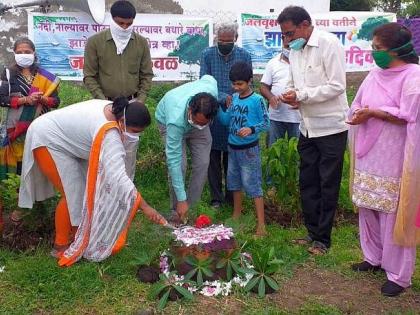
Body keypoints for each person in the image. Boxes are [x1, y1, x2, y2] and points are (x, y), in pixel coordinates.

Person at [18, 97, 167, 266]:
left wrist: (129, 192)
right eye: (133, 131)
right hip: (48, 139)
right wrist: (145, 207)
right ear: (123, 121)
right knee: (72, 193)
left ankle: (77, 236)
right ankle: (60, 246)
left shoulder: (117, 110)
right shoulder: (109, 131)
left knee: (86, 192)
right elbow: (118, 176)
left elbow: (122, 169)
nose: (135, 136)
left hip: (72, 143)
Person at [347, 23, 420, 297]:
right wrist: (357, 114)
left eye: (378, 49)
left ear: (397, 50)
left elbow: (410, 115)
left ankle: (399, 275)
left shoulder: (414, 76)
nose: (374, 53)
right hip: (369, 153)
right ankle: (373, 257)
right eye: (373, 48)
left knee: (392, 211)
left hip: (396, 155)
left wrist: (376, 113)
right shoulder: (375, 73)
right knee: (368, 205)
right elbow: (357, 103)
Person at [277, 6, 349, 255]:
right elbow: (293, 82)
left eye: (289, 33)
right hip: (307, 126)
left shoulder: (329, 44)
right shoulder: (295, 51)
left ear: (305, 24)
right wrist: (290, 93)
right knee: (307, 181)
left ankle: (323, 239)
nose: (287, 39)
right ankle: (311, 233)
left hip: (331, 127)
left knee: (327, 182)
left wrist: (302, 95)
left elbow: (337, 86)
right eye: (284, 35)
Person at [0, 37, 60, 222]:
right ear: (14, 53)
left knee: (39, 161)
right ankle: (21, 203)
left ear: (34, 53)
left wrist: (43, 100)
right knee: (20, 166)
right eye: (20, 52)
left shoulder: (45, 77)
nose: (23, 55)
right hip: (16, 129)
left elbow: (56, 102)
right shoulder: (8, 74)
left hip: (40, 126)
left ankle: (41, 200)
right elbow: (2, 99)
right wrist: (25, 100)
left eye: (27, 52)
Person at [200, 22, 252, 208]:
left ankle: (232, 196)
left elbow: (248, 84)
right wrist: (223, 97)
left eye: (228, 41)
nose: (224, 44)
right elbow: (204, 83)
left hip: (236, 113)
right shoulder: (207, 54)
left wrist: (236, 98)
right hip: (213, 111)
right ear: (216, 39)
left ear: (235, 39)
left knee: (232, 156)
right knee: (213, 156)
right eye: (221, 41)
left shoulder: (244, 56)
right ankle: (216, 198)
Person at [155, 75, 218, 222]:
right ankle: (177, 211)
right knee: (181, 165)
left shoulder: (211, 94)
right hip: (168, 121)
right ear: (190, 109)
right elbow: (174, 161)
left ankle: (192, 207)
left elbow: (209, 78)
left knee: (203, 163)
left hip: (197, 124)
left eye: (204, 122)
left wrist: (200, 125)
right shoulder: (175, 120)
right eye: (196, 121)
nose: (198, 124)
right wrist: (182, 199)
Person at [218, 62, 269, 237]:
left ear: (249, 81)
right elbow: (226, 121)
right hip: (232, 148)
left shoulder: (257, 100)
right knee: (234, 182)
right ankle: (236, 214)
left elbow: (266, 123)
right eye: (234, 84)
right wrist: (220, 108)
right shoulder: (234, 98)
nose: (236, 87)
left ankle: (261, 225)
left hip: (249, 150)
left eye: (240, 84)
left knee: (253, 184)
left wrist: (251, 129)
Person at [83, 0, 153, 103]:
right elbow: (89, 76)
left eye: (129, 24)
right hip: (104, 102)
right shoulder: (94, 42)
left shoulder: (141, 43)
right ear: (112, 19)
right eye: (120, 23)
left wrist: (140, 101)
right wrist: (103, 102)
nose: (125, 27)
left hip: (133, 102)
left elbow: (146, 75)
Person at [260, 41, 300, 146]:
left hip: (299, 117)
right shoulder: (273, 63)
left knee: (298, 152)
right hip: (276, 116)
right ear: (283, 41)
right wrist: (271, 97)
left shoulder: (304, 62)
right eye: (287, 46)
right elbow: (264, 87)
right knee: (273, 152)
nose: (289, 49)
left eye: (293, 46)